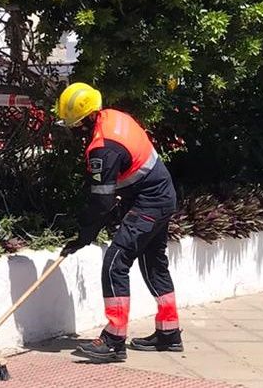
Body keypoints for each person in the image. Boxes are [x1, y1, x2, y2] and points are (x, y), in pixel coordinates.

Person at [56, 82, 181, 363]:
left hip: (149, 202)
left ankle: (113, 341)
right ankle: (169, 333)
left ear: (87, 118)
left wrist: (83, 236)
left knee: (115, 263)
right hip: (161, 195)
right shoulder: (113, 117)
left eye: (74, 124)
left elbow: (101, 201)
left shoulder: (102, 147)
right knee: (154, 264)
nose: (72, 130)